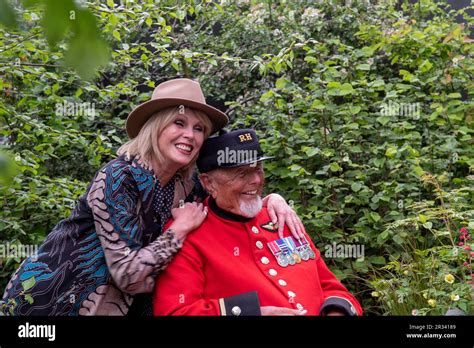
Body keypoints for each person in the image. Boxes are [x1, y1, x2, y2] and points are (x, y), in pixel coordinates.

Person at [1, 79, 303, 315]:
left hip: (122, 307)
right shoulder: (118, 177)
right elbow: (129, 275)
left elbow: (228, 199)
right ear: (156, 128)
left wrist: (271, 200)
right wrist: (180, 230)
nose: (190, 135)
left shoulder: (188, 184)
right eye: (179, 123)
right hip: (53, 299)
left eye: (199, 128)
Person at [153, 129, 363, 316]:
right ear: (208, 182)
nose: (255, 180)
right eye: (242, 173)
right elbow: (175, 311)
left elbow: (332, 289)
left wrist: (337, 311)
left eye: (258, 169)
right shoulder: (188, 234)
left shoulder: (280, 217)